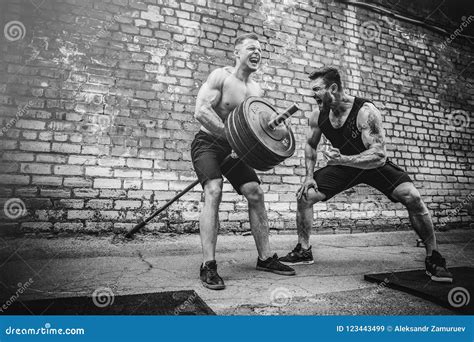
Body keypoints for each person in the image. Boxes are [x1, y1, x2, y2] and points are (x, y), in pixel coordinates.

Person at [279, 66, 453, 283]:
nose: (312, 94)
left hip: (372, 165)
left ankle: (433, 256)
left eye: (316, 89)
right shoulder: (318, 115)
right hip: (343, 166)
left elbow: (379, 155)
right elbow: (310, 146)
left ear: (333, 88)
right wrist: (308, 176)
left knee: (412, 196)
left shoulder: (365, 112)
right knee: (305, 196)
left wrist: (343, 159)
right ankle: (304, 250)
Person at [191, 33, 295, 290]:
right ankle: (208, 265)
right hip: (208, 144)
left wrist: (275, 133)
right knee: (213, 190)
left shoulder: (256, 91)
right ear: (237, 52)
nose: (257, 52)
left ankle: (266, 258)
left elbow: (255, 131)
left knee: (255, 192)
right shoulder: (221, 77)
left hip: (235, 151)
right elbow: (201, 111)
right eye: (251, 48)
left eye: (260, 49)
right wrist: (231, 137)